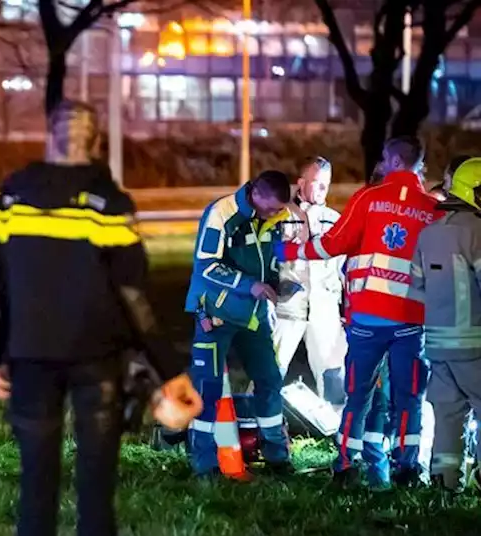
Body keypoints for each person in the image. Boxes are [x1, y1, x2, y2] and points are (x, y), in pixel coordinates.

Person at [0, 100, 201, 536]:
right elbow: (135, 298)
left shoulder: (11, 196)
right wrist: (170, 370)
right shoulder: (109, 203)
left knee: (36, 488)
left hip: (28, 360)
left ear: (49, 136)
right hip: (97, 362)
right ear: (95, 143)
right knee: (95, 494)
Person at [280, 136, 442, 489]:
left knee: (359, 395)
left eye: (385, 158)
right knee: (409, 396)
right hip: (412, 321)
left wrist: (291, 250)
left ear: (395, 161)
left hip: (367, 318)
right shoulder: (432, 208)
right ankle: (407, 469)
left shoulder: (368, 199)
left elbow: (333, 243)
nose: (381, 163)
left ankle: (344, 465)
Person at [185, 170, 302, 480]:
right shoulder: (222, 213)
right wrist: (249, 285)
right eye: (273, 207)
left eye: (280, 209)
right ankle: (204, 464)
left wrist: (281, 279)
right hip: (215, 312)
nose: (277, 214)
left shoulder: (276, 217)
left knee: (270, 380)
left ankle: (277, 456)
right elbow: (205, 264)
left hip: (254, 315)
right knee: (207, 387)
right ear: (256, 194)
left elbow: (271, 255)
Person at [414, 157, 481, 492]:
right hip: (473, 343)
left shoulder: (428, 235)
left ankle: (444, 483)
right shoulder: (477, 232)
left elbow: (416, 288)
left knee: (447, 415)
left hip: (437, 344)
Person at [274, 157, 345, 403]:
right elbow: (266, 258)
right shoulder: (279, 217)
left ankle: (337, 427)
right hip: (286, 307)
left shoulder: (335, 221)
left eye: (327, 184)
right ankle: (256, 424)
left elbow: (343, 268)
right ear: (301, 183)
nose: (323, 190)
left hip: (324, 309)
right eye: (317, 183)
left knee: (333, 371)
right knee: (271, 369)